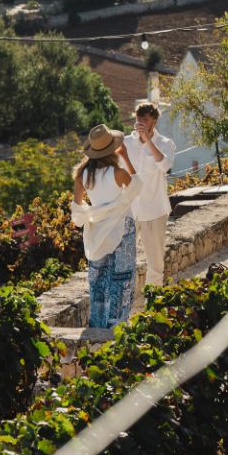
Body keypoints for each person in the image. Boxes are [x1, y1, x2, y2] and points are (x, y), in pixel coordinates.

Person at [71, 123, 142, 329]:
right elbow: (137, 186)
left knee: (99, 278)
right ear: (112, 149)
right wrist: (126, 157)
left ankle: (97, 324)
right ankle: (116, 325)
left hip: (97, 231)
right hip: (122, 227)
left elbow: (77, 210)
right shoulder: (118, 172)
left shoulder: (82, 175)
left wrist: (96, 213)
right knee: (121, 277)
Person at [123, 102, 176, 287]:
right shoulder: (126, 143)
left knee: (155, 263)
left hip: (154, 209)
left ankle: (153, 304)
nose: (141, 122)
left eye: (145, 119)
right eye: (138, 119)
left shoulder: (166, 144)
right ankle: (124, 305)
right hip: (129, 210)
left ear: (154, 120)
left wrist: (148, 142)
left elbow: (165, 166)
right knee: (123, 261)